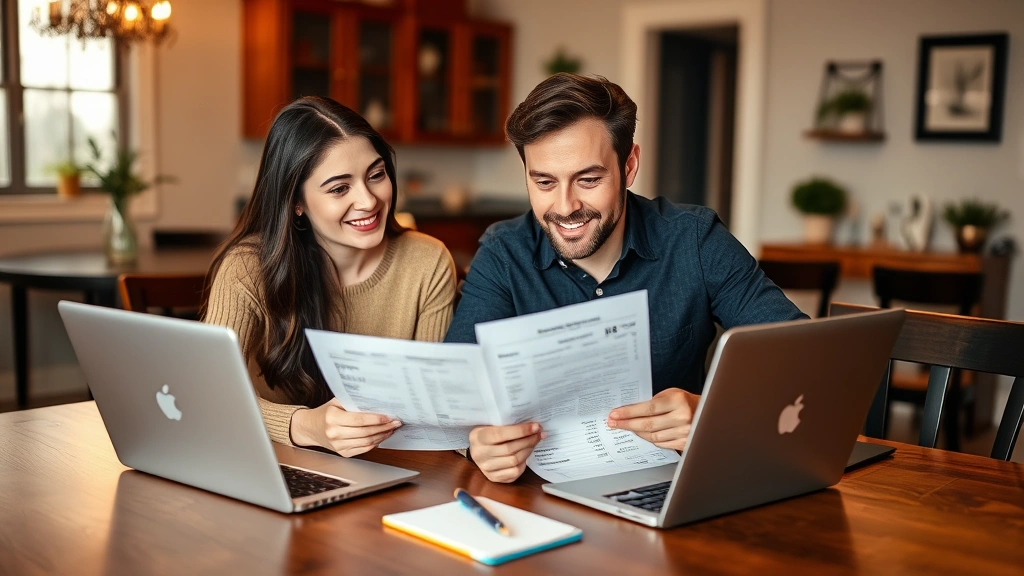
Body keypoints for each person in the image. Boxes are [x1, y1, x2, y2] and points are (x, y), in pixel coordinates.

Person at [445, 73, 807, 483]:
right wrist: (479, 441)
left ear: (629, 165)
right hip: (539, 495)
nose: (565, 207)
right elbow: (458, 393)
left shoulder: (695, 240)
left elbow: (802, 359)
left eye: (588, 180)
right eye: (544, 182)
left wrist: (713, 412)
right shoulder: (504, 252)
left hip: (673, 489)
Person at [202, 96, 456, 458]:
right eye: (340, 188)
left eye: (376, 175)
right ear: (296, 202)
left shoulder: (427, 262)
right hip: (273, 464)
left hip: (392, 467)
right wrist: (305, 426)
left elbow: (432, 410)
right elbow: (209, 394)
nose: (368, 200)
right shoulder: (248, 267)